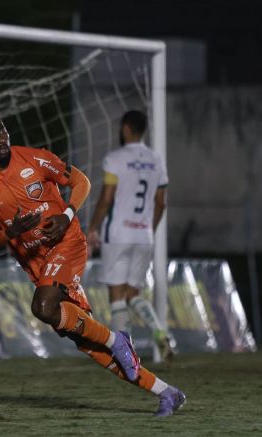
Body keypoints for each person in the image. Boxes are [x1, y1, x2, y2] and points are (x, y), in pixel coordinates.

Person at [0, 108, 185, 417]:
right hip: (36, 263)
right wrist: (8, 233)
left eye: (2, 131)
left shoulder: (35, 158)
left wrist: (67, 216)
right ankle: (167, 392)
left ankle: (117, 338)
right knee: (90, 345)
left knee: (43, 308)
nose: (0, 139)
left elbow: (81, 181)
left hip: (67, 243)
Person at [87, 110, 174, 362]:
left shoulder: (115, 159)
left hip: (118, 233)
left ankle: (125, 354)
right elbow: (161, 202)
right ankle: (159, 331)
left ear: (125, 128)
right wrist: (149, 227)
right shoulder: (157, 160)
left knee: (116, 296)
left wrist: (93, 227)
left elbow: (106, 198)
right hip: (144, 235)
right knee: (133, 294)